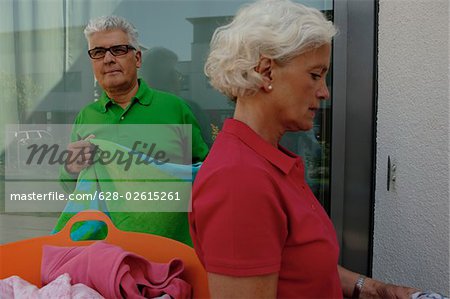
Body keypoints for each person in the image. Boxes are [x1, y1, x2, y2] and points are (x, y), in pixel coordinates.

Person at [189, 0, 419, 297]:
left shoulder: (265, 161)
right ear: (266, 71)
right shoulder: (239, 179)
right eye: (315, 75)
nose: (324, 92)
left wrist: (373, 288)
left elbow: (296, 263)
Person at [54, 15, 209, 245]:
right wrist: (71, 167)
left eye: (118, 49)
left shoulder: (175, 110)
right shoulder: (86, 117)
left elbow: (206, 178)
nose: (108, 59)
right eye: (98, 52)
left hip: (171, 254)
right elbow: (73, 189)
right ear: (92, 62)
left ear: (137, 58)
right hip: (106, 256)